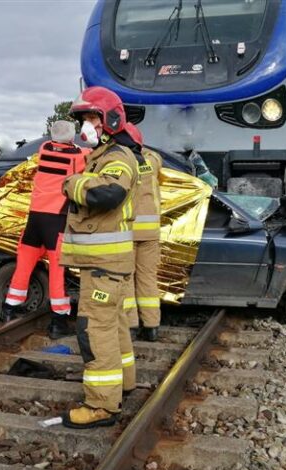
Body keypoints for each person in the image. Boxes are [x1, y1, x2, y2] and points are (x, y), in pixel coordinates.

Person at [60, 86, 141, 429]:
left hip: (106, 267)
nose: (85, 126)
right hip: (108, 265)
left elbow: (109, 193)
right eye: (83, 119)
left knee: (95, 331)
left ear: (109, 119)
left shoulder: (117, 158)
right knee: (116, 327)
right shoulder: (104, 156)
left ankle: (102, 405)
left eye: (91, 117)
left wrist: (72, 184)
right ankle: (124, 384)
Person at [3, 120, 88, 339]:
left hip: (34, 220)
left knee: (24, 266)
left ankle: (10, 310)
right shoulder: (77, 156)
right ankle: (59, 322)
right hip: (55, 221)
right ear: (71, 136)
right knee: (57, 272)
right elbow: (91, 157)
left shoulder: (44, 149)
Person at [123, 124, 163, 341]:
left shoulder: (121, 161)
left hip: (128, 230)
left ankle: (130, 326)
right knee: (148, 278)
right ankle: (152, 326)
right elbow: (157, 161)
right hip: (151, 232)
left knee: (126, 277)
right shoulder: (153, 160)